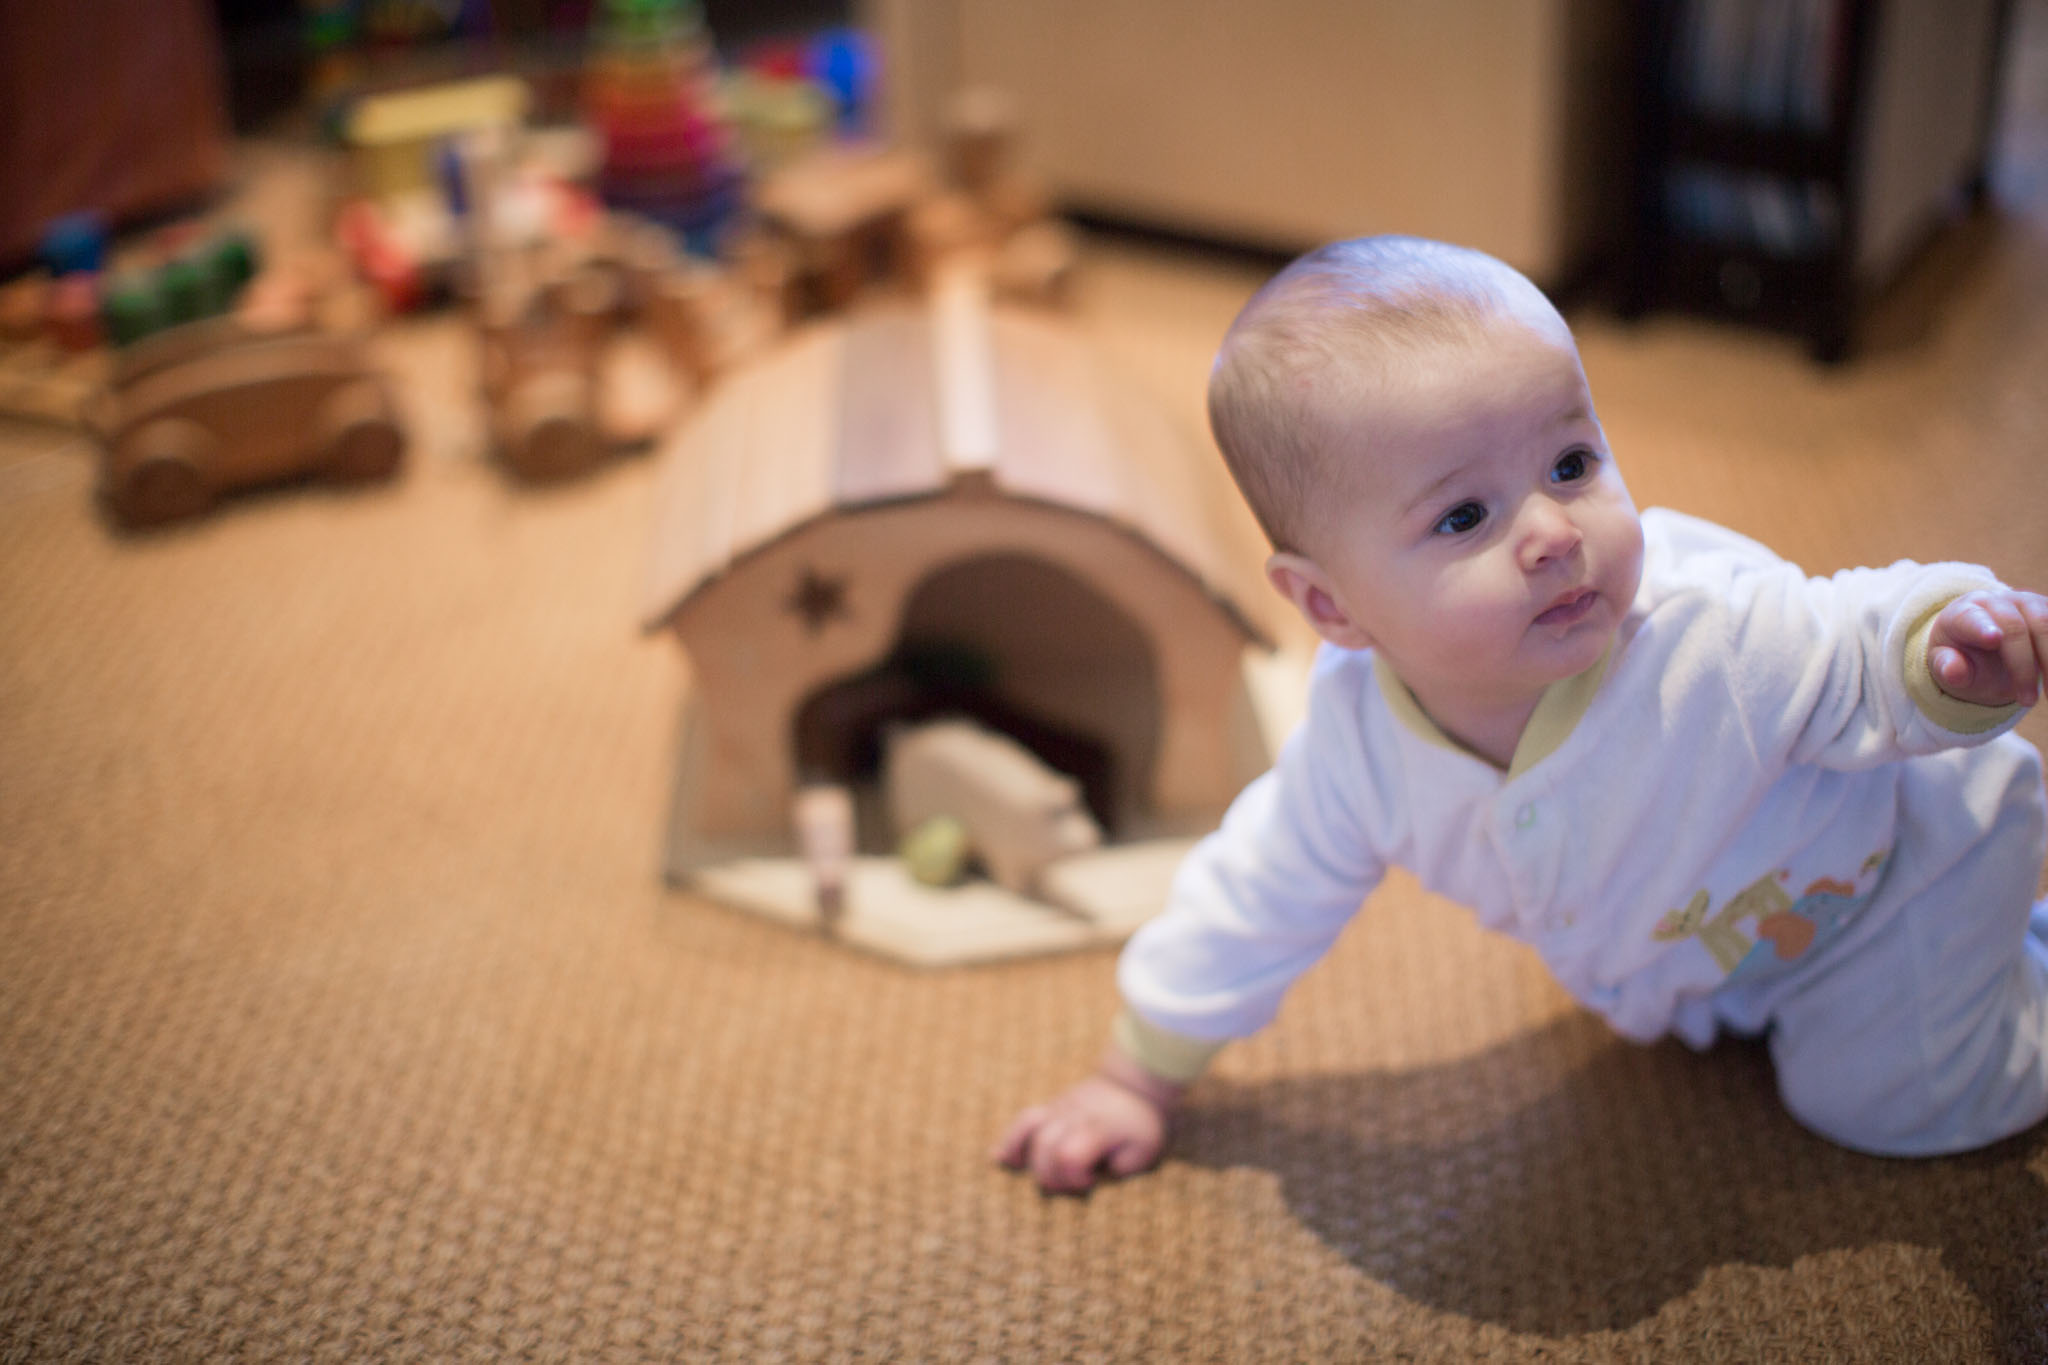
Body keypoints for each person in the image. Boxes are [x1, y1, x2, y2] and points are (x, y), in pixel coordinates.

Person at [994, 235, 2048, 1194]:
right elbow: (1258, 888)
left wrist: (1942, 654)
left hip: (1896, 886)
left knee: (1878, 1106)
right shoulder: (1358, 741)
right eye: (1463, 515)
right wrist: (1136, 1076)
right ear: (1330, 606)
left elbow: (1850, 640)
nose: (1550, 529)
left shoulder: (1702, 639)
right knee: (1727, 1038)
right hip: (1723, 947)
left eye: (1570, 463)